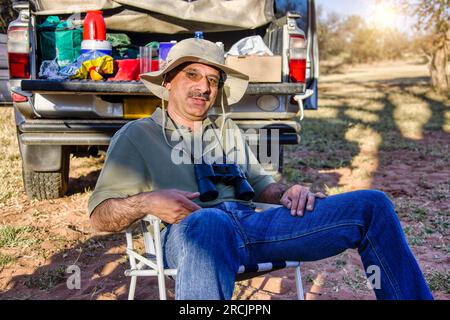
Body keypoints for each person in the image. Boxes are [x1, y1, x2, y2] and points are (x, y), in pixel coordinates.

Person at [88, 38, 433, 300]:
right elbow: (99, 216)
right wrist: (146, 202)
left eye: (213, 79)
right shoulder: (138, 135)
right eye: (192, 74)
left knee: (372, 205)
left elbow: (262, 186)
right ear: (168, 82)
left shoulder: (227, 131)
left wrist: (287, 193)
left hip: (254, 227)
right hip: (188, 232)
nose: (204, 87)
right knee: (209, 220)